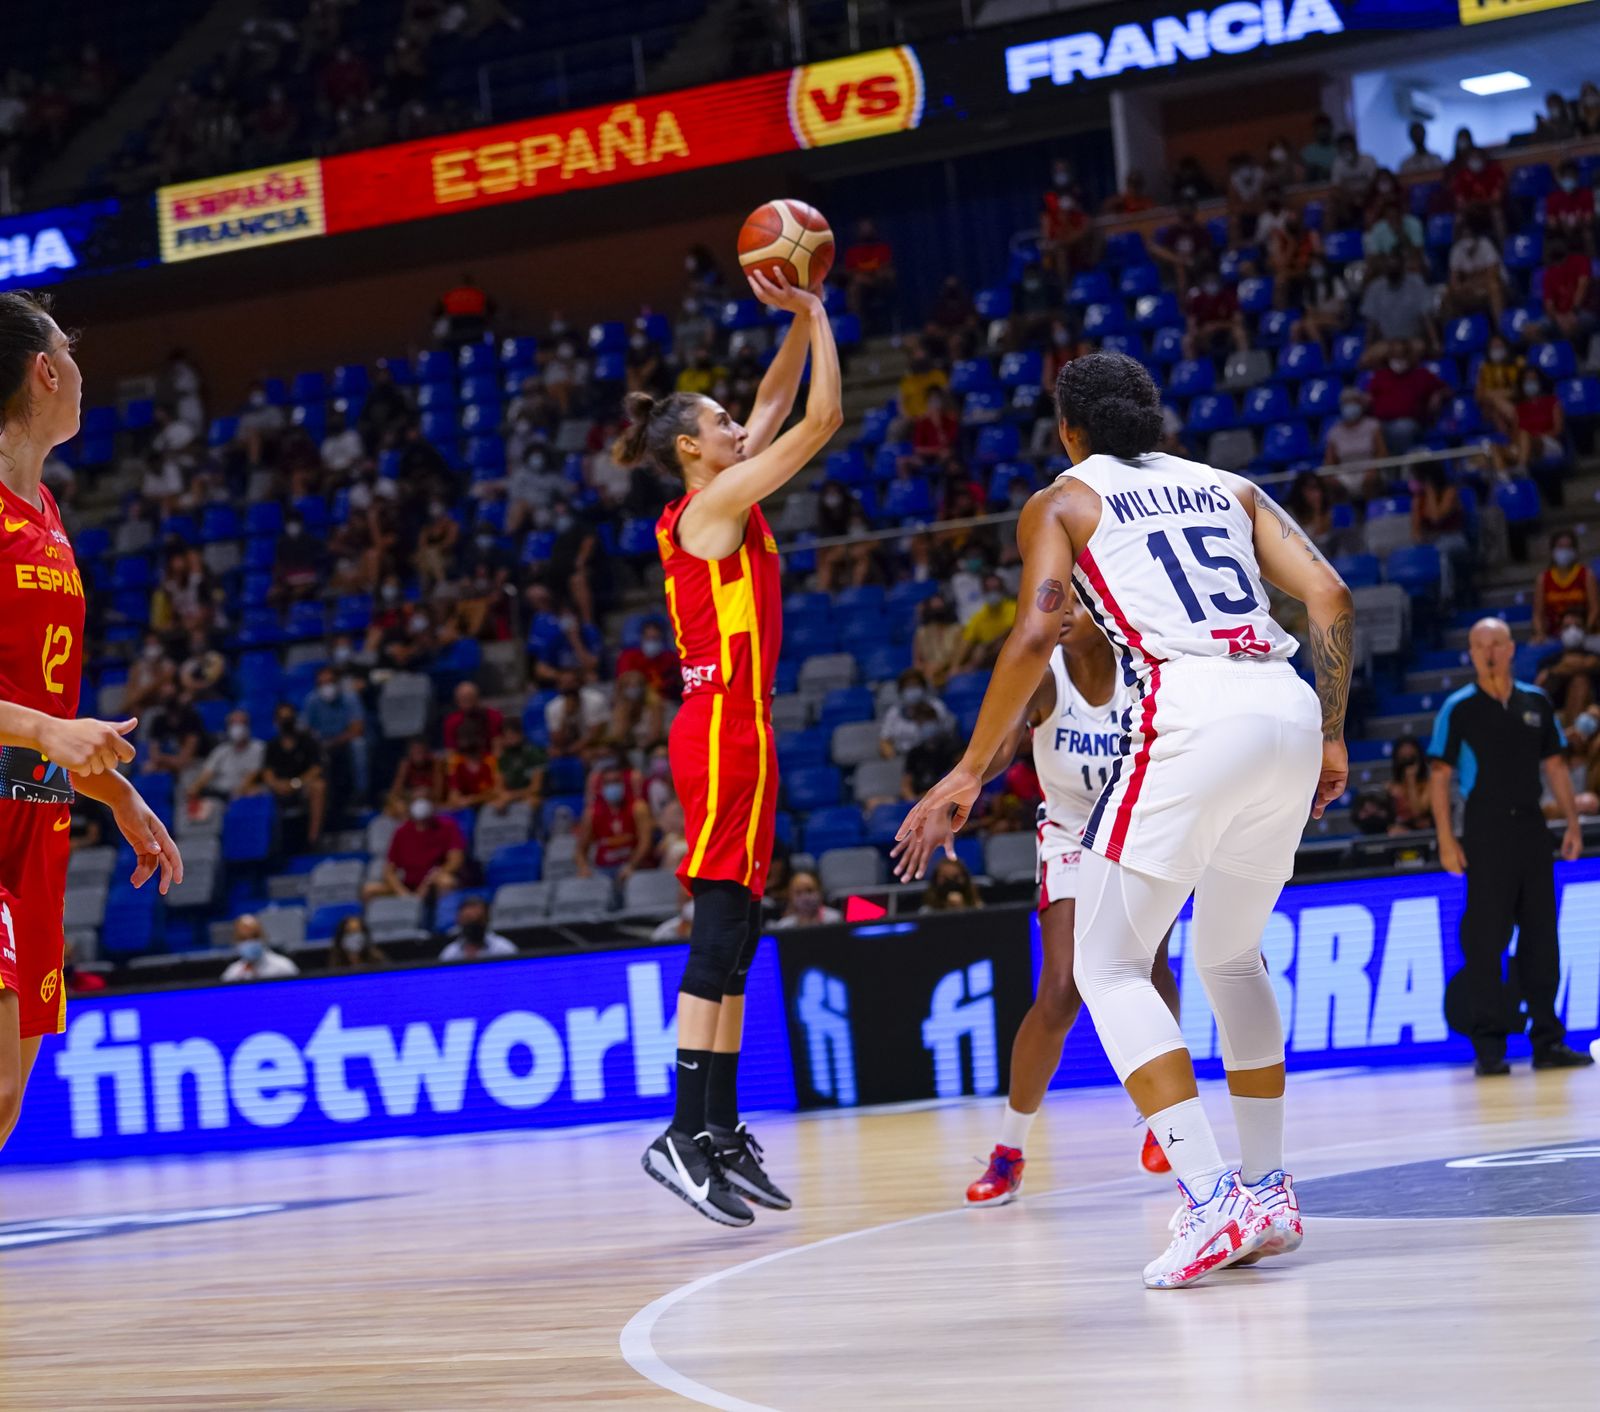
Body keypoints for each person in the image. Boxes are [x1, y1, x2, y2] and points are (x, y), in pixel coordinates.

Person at [895, 350, 1355, 1288]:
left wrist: (969, 771)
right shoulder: (1232, 487)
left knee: (1102, 963)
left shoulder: (1062, 500)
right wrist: (1335, 734)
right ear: (1152, 420)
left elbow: (1035, 629)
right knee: (1231, 955)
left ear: (1071, 431)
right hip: (1287, 705)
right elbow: (1330, 597)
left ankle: (1213, 1195)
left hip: (1188, 714)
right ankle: (1268, 1190)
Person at [614, 266, 840, 1226]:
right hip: (719, 726)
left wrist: (788, 320)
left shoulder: (715, 497)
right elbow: (817, 421)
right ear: (689, 450)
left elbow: (775, 400)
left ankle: (715, 1127)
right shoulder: (711, 510)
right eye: (724, 428)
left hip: (736, 723)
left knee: (739, 928)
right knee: (718, 925)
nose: (739, 430)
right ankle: (680, 1129)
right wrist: (823, 315)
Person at [0, 292, 183, 1153]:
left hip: (37, 815)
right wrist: (45, 731)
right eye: (68, 353)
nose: (78, 369)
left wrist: (116, 794)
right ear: (44, 370)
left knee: (7, 1098)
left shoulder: (47, 512)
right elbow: (41, 718)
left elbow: (41, 703)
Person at [963, 597, 1184, 1205]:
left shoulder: (1143, 668)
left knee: (1148, 967)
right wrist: (968, 777)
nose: (1061, 617)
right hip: (1067, 833)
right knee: (1060, 992)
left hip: (1138, 828)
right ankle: (1009, 1150)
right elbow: (1004, 747)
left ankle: (1165, 1119)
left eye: (1078, 606)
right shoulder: (1044, 671)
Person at [1428, 618, 1594, 1076]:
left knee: (1542, 937)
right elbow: (1439, 777)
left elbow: (1556, 767)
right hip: (1485, 832)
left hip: (1533, 830)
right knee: (1485, 942)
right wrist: (1446, 838)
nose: (1488, 651)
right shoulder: (1457, 709)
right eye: (1479, 644)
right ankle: (1489, 1048)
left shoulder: (1535, 702)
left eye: (1496, 643)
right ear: (1470, 651)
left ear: (1511, 648)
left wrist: (1572, 825)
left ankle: (1548, 1041)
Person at [364, 789, 466, 904]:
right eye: (417, 800)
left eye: (425, 799)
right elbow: (389, 871)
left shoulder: (448, 826)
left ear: (433, 803)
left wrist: (430, 880)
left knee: (446, 882)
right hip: (409, 885)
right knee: (369, 890)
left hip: (434, 880)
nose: (421, 804)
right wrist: (402, 893)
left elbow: (456, 860)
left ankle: (440, 920)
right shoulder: (402, 832)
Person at [255, 704, 328, 846]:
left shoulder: (307, 741)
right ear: (276, 721)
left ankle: (313, 838)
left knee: (319, 786)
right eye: (282, 718)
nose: (286, 722)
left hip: (301, 785)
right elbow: (267, 772)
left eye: (289, 718)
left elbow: (316, 768)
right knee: (254, 792)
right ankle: (266, 844)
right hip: (279, 788)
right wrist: (276, 785)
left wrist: (295, 784)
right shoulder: (272, 745)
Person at [574, 756, 654, 881]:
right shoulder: (592, 813)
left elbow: (645, 842)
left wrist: (631, 866)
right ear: (601, 787)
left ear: (623, 783)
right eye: (608, 783)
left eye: (616, 781)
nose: (613, 786)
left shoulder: (638, 807)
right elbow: (580, 850)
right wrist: (584, 868)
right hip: (604, 869)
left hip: (634, 865)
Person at [1532, 530, 1599, 642]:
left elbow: (1595, 609)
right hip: (1554, 635)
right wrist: (1540, 633)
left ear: (1575, 550)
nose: (1564, 550)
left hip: (1584, 633)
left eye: (1568, 547)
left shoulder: (1586, 574)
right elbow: (1538, 614)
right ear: (1553, 550)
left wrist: (1585, 630)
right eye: (1561, 547)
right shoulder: (1543, 578)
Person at [955, 573, 1017, 672]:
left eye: (995, 589)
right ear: (984, 591)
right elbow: (966, 642)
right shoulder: (979, 616)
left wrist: (989, 645)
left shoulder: (1015, 608)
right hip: (987, 659)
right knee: (977, 652)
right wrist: (955, 666)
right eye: (989, 590)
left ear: (1002, 590)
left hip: (1013, 653)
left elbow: (1012, 632)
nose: (992, 593)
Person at [221, 915, 298, 982]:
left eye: (254, 936)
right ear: (236, 941)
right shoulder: (232, 974)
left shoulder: (284, 967)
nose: (250, 942)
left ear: (264, 937)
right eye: (244, 938)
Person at [438, 895, 517, 960]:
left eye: (478, 920)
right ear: (458, 921)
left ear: (487, 919)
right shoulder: (450, 954)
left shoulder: (504, 949)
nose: (473, 926)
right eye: (468, 920)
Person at [912, 594, 965, 688]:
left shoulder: (958, 630)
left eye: (939, 606)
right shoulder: (921, 633)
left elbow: (959, 659)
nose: (937, 609)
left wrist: (942, 669)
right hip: (928, 675)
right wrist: (928, 669)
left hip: (951, 674)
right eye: (934, 607)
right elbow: (917, 663)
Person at [1387, 740, 1433, 834]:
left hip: (1424, 831)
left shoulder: (1429, 785)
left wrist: (1411, 780)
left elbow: (1418, 812)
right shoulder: (1392, 787)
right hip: (1399, 830)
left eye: (1411, 759)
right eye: (1404, 759)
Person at [769, 870, 841, 928]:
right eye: (798, 893)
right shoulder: (784, 926)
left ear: (819, 892)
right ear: (791, 897)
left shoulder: (834, 920)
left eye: (809, 890)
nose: (805, 897)